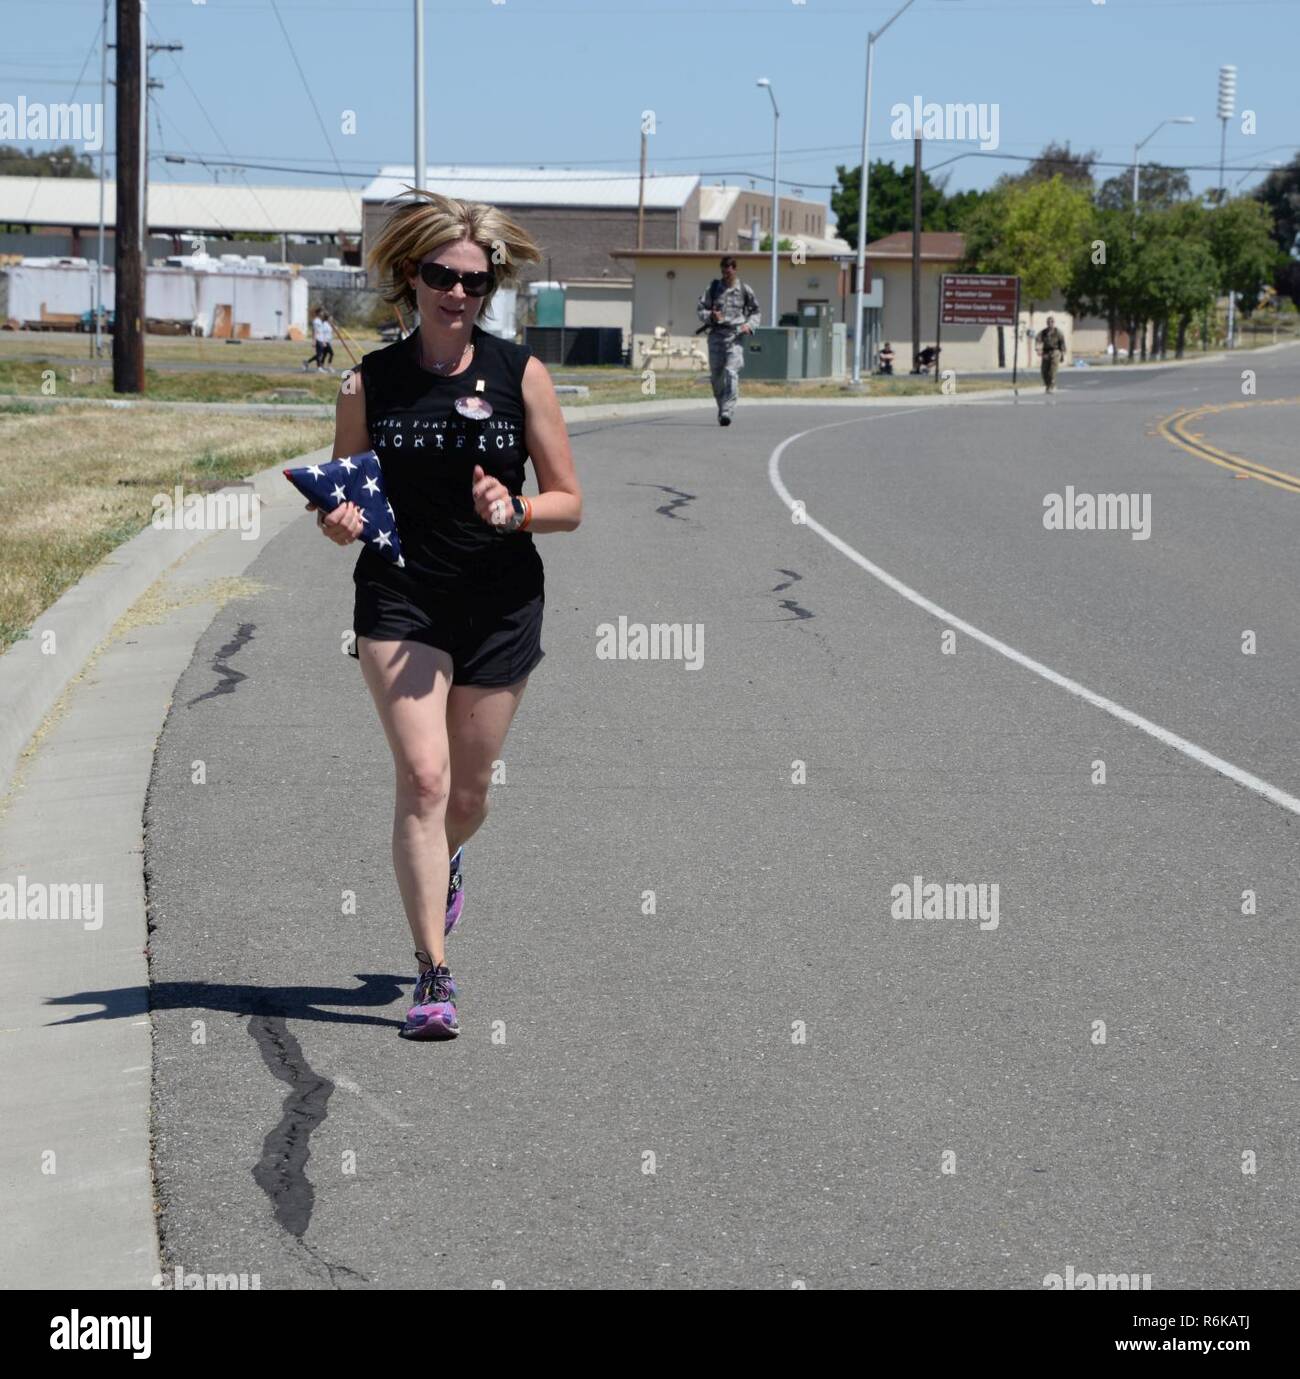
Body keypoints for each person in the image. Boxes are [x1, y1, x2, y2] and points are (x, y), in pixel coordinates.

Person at [310, 190, 583, 1040]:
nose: (456, 292)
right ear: (411, 279)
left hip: (500, 602)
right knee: (423, 780)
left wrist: (517, 512)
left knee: (466, 793)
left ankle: (449, 856)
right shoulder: (371, 382)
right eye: (441, 275)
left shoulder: (519, 375)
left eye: (473, 279)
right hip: (401, 597)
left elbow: (570, 501)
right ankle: (434, 973)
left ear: (487, 288)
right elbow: (341, 495)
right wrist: (337, 521)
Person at [696, 255, 760, 426]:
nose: (726, 275)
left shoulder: (745, 290)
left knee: (731, 372)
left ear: (735, 270)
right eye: (723, 272)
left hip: (735, 336)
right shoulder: (713, 288)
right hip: (716, 336)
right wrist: (711, 315)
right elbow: (700, 309)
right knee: (716, 377)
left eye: (729, 272)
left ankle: (727, 410)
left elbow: (756, 312)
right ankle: (722, 407)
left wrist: (749, 326)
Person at [1037, 315, 1067, 393]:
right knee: (1044, 370)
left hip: (1055, 352)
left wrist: (1062, 353)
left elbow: (1062, 342)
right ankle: (1047, 385)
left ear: (1054, 323)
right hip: (1046, 352)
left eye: (1051, 322)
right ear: (1046, 323)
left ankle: (1051, 385)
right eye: (1048, 322)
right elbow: (1038, 340)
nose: (1050, 323)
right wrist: (1038, 349)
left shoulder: (1058, 332)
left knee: (1052, 370)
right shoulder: (1043, 332)